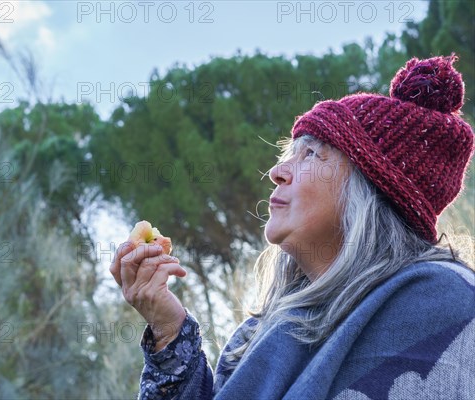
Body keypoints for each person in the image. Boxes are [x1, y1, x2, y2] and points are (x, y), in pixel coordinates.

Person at [109, 55, 475, 399]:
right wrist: (168, 329)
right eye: (290, 155)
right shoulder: (255, 337)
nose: (277, 172)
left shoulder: (441, 299)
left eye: (312, 154)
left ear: (369, 189)